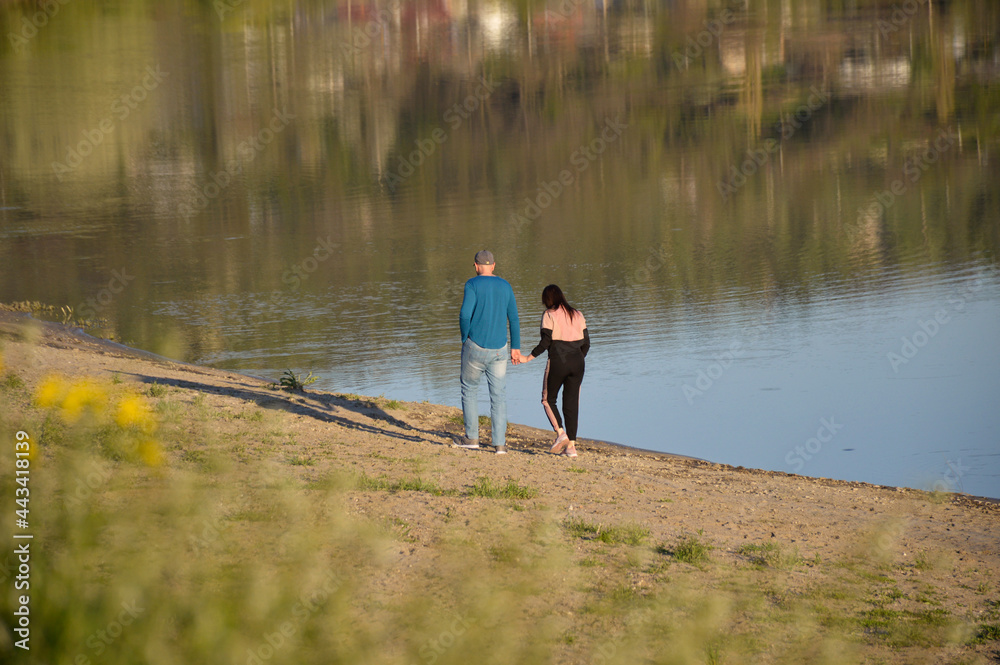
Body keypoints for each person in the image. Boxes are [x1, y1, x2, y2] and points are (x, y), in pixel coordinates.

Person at [454, 250, 522, 455]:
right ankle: (500, 444)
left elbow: (465, 314)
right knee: (499, 396)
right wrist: (515, 347)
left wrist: (465, 337)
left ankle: (472, 438)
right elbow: (514, 319)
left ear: (475, 266)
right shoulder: (506, 285)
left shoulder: (472, 284)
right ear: (493, 266)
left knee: (469, 389)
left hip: (475, 346)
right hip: (500, 349)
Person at [517, 284, 589, 457]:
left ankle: (560, 433)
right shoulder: (577, 314)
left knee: (548, 399)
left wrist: (527, 358)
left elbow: (545, 342)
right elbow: (586, 343)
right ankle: (571, 447)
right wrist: (576, 359)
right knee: (572, 404)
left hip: (558, 361)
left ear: (547, 300)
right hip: (578, 362)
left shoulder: (549, 314)